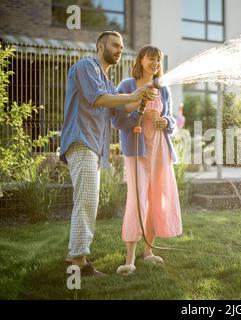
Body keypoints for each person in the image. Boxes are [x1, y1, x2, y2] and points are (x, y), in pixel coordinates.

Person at [59, 31, 157, 277]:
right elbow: (98, 99)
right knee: (87, 201)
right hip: (81, 140)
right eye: (115, 45)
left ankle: (76, 256)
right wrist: (133, 95)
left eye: (122, 47)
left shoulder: (107, 81)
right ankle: (78, 262)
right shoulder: (86, 67)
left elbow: (121, 111)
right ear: (100, 45)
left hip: (94, 147)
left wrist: (140, 99)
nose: (119, 50)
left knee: (87, 200)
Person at [112, 45, 182, 275]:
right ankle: (129, 258)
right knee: (137, 200)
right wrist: (138, 115)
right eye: (151, 58)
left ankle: (148, 251)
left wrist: (165, 123)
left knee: (156, 198)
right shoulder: (127, 85)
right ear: (141, 60)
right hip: (137, 150)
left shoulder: (163, 88)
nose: (154, 63)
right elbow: (117, 119)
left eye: (158, 60)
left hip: (160, 149)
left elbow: (171, 120)